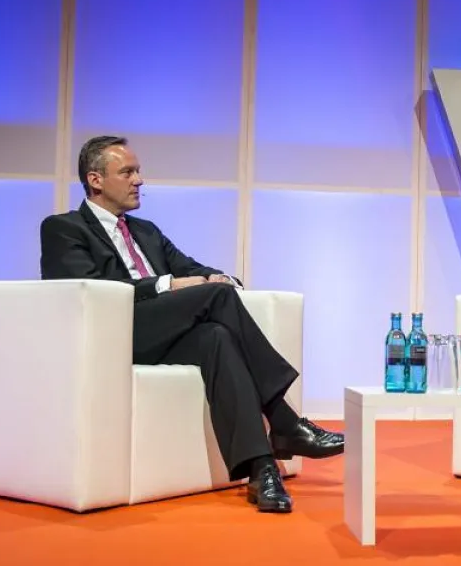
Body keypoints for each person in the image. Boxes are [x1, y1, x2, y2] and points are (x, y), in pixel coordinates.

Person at [40, 136, 343, 514]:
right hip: (118, 334)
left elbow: (190, 268)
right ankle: (284, 420)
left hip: (166, 333)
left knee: (218, 336)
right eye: (128, 172)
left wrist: (217, 277)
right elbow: (87, 290)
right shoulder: (63, 228)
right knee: (215, 300)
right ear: (95, 180)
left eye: (138, 171)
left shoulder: (146, 231)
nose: (139, 180)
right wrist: (167, 284)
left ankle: (262, 470)